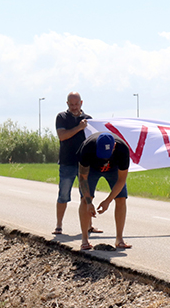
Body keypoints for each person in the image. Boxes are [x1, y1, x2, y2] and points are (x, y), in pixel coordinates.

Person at [53, 92, 101, 235]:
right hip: (67, 163)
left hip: (85, 164)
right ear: (67, 104)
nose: (74, 107)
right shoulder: (61, 117)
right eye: (71, 104)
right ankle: (59, 225)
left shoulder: (88, 120)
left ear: (81, 103)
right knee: (63, 195)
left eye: (76, 104)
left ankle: (89, 226)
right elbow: (62, 136)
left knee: (86, 196)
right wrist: (79, 128)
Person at [77, 132, 131, 251]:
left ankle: (119, 239)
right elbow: (82, 178)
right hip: (92, 170)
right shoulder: (87, 147)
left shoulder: (123, 149)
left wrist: (108, 201)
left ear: (114, 146)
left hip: (113, 170)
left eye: (107, 154)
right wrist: (88, 201)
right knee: (85, 200)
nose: (104, 158)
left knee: (121, 198)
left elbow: (121, 180)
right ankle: (84, 240)